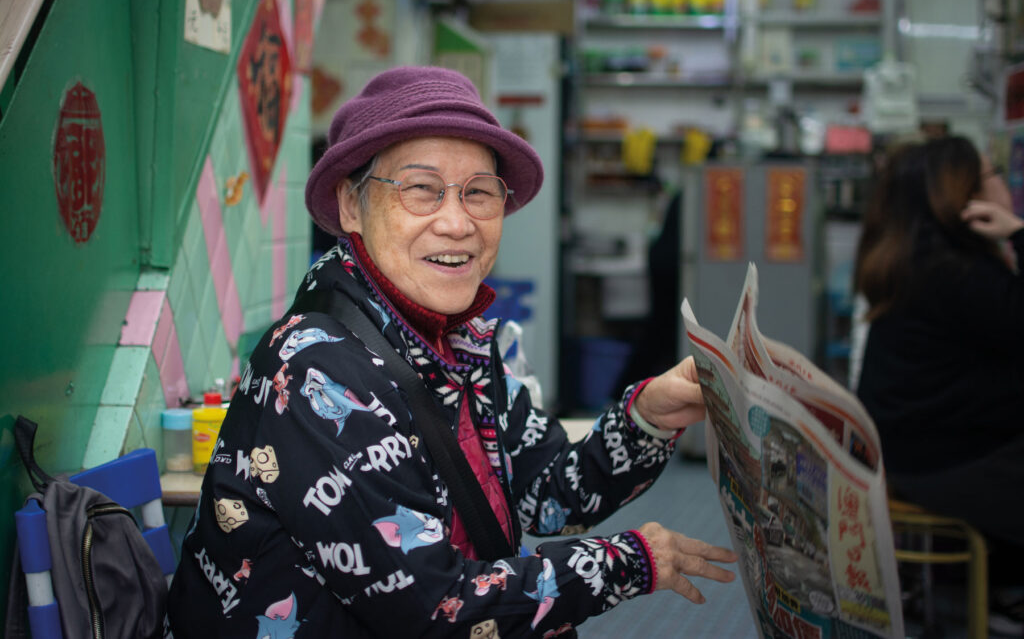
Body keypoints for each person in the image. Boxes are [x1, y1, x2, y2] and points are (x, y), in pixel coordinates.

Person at [165, 66, 736, 637]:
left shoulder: (458, 343)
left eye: (479, 193)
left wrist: (648, 417)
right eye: (421, 189)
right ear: (351, 206)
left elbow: (551, 491)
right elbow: (433, 611)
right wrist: (627, 562)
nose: (458, 222)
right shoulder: (316, 369)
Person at [853, 136, 1024, 628]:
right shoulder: (960, 274)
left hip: (908, 459)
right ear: (965, 194)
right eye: (993, 173)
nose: (1004, 182)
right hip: (943, 469)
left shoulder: (912, 262)